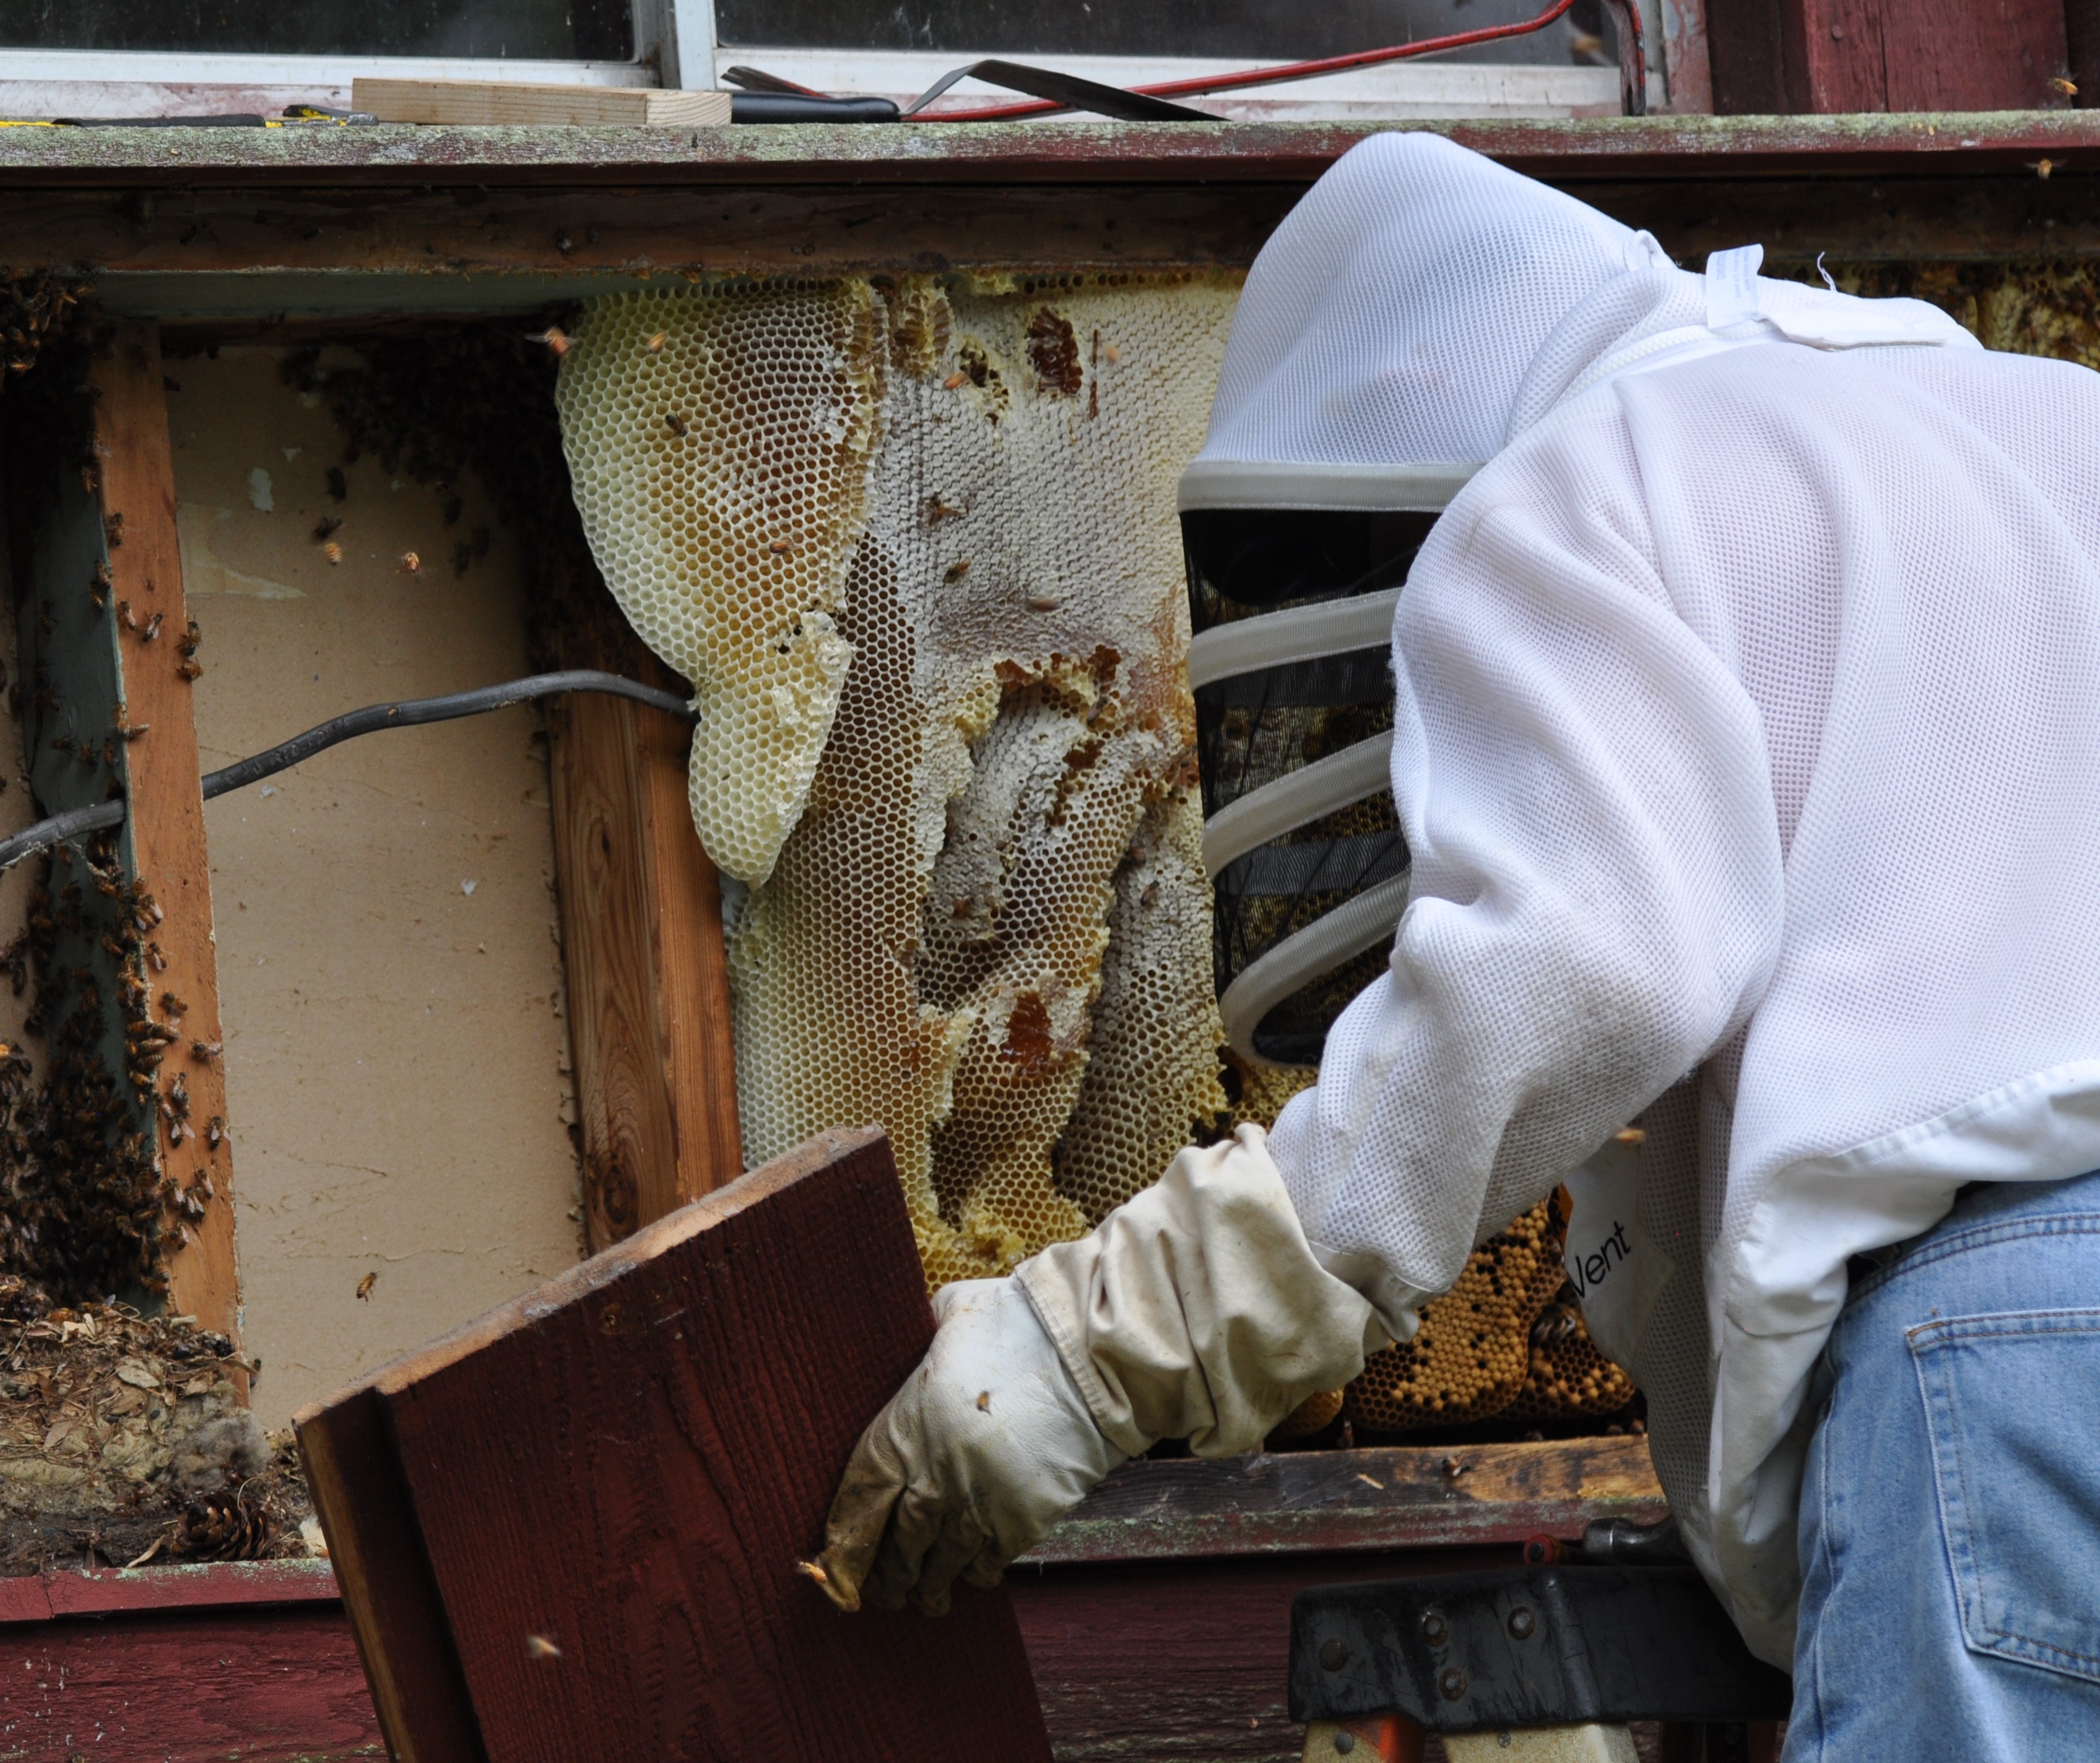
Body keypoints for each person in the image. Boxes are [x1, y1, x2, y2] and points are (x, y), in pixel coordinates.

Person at [817, 131, 2100, 1762]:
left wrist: (1098, 1351)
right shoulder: (2052, 426)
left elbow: (1583, 964)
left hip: (2026, 1364)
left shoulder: (1591, 476)